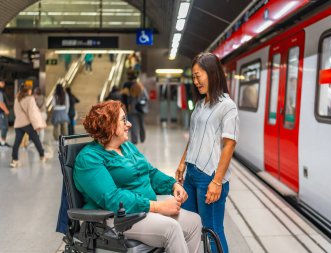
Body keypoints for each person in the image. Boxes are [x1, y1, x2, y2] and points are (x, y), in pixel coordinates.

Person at [74, 100, 202, 253]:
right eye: (123, 120)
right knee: (171, 229)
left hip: (144, 209)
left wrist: (173, 184)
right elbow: (112, 198)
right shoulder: (89, 159)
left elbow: (150, 172)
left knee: (194, 222)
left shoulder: (126, 147)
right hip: (118, 218)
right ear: (110, 126)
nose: (129, 125)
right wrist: (156, 206)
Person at [175, 52, 239, 253]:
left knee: (212, 232)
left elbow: (229, 144)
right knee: (190, 227)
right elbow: (194, 136)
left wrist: (217, 181)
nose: (195, 82)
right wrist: (182, 162)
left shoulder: (228, 107)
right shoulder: (201, 104)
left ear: (211, 73)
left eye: (198, 75)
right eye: (193, 77)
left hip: (209, 176)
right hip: (192, 174)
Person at [11, 85, 46, 167]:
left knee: (17, 142)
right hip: (27, 124)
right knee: (36, 139)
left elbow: (15, 112)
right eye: (30, 90)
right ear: (28, 91)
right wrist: (37, 125)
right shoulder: (30, 99)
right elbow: (32, 113)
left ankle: (14, 160)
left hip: (18, 123)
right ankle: (42, 156)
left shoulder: (17, 99)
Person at [0, 80, 11, 147]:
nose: (3, 84)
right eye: (2, 82)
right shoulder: (0, 91)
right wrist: (6, 110)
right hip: (1, 112)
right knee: (4, 127)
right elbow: (0, 103)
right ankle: (3, 143)